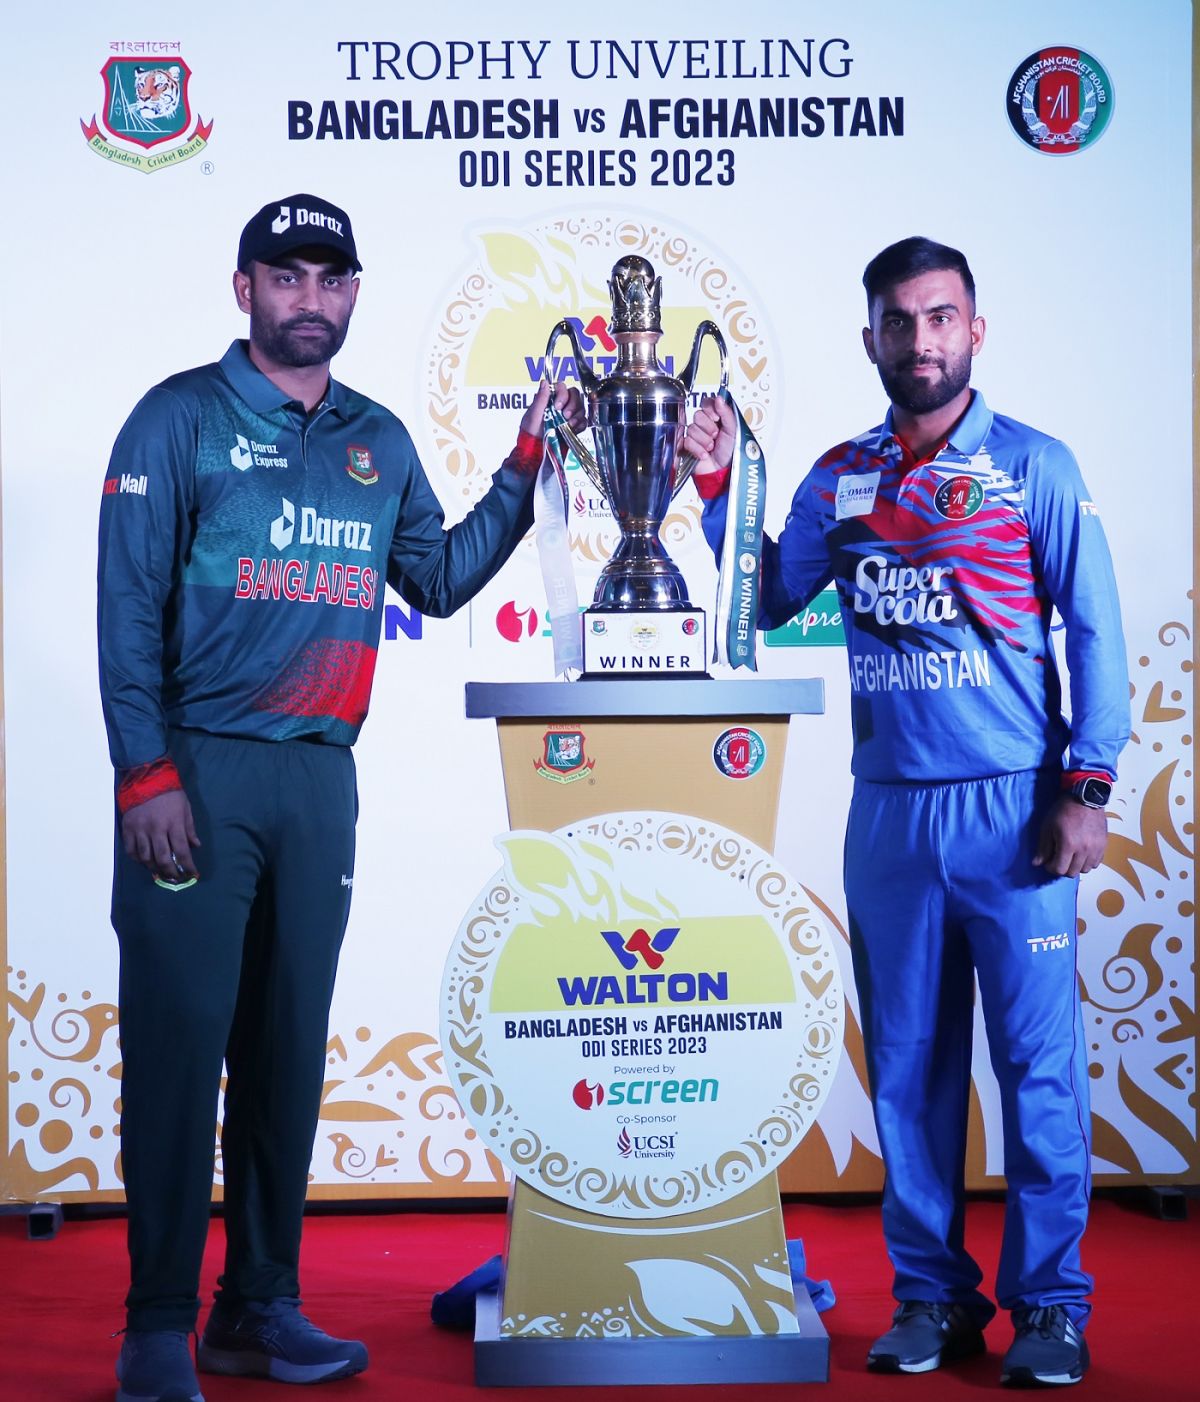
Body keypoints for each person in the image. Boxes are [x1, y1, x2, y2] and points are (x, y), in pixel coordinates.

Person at [97, 192, 581, 1402]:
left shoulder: (378, 440)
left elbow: (443, 573)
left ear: (354, 293)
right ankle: (157, 1322)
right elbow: (123, 608)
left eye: (330, 278)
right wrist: (144, 771)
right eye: (285, 276)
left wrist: (527, 461)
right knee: (177, 1052)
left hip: (320, 777)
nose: (308, 297)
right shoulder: (180, 420)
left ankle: (255, 1308)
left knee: (283, 1054)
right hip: (196, 773)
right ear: (245, 288)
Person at [684, 236, 1128, 1388]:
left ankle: (1052, 1308)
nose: (920, 340)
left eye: (941, 318)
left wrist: (1087, 783)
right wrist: (721, 482)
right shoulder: (844, 474)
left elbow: (1093, 632)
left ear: (975, 330)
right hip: (888, 818)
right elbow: (769, 598)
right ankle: (932, 1297)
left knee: (1036, 1074)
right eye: (899, 320)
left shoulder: (1035, 467)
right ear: (870, 335)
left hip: (1013, 814)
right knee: (909, 1071)